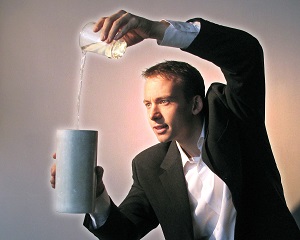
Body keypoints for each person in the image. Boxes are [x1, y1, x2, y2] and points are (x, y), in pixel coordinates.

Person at [50, 10, 300, 239]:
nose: (153, 114)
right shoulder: (148, 166)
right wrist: (95, 194)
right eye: (148, 104)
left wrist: (156, 30)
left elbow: (246, 54)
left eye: (164, 101)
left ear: (195, 105)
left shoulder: (235, 121)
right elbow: (122, 234)